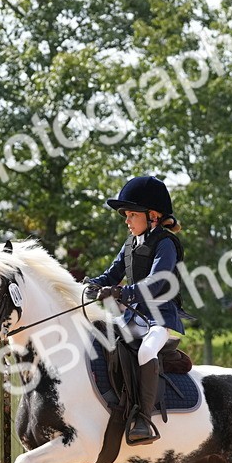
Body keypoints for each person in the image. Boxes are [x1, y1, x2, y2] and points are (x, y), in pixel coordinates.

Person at [84, 175, 186, 445]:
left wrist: (122, 292)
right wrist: (88, 286)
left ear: (153, 216)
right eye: (126, 215)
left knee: (146, 351)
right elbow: (111, 274)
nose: (127, 221)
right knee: (97, 338)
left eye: (132, 215)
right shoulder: (130, 244)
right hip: (132, 316)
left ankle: (143, 418)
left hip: (159, 318)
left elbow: (157, 282)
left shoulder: (166, 243)